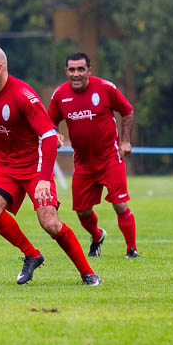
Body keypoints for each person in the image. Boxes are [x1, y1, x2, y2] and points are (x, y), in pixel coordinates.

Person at [0, 45, 100, 286]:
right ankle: (32, 255)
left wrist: (43, 179)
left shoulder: (23, 96)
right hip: (4, 167)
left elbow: (49, 137)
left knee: (50, 223)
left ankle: (87, 273)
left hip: (34, 167)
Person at [48, 52, 139, 259]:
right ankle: (98, 236)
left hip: (110, 158)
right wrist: (55, 134)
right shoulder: (60, 95)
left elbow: (127, 111)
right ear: (66, 71)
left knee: (119, 204)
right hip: (82, 163)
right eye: (72, 69)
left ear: (89, 70)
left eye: (81, 69)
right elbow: (50, 121)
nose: (76, 74)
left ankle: (131, 249)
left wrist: (125, 141)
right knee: (82, 211)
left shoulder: (105, 88)